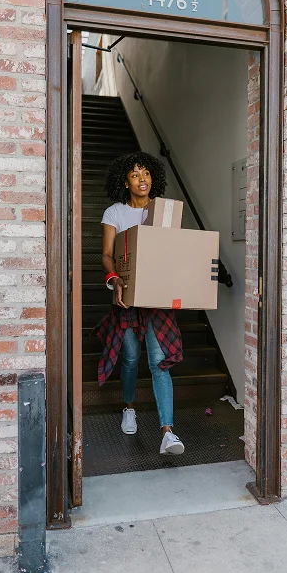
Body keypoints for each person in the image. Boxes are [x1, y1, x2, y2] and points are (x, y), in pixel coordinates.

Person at [95, 151, 185, 455]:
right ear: (126, 182)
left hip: (157, 299)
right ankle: (129, 407)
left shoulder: (163, 211)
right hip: (128, 298)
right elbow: (107, 254)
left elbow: (174, 251)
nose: (142, 179)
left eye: (146, 173)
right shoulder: (115, 213)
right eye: (135, 174)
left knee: (159, 362)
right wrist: (114, 279)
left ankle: (168, 433)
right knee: (131, 357)